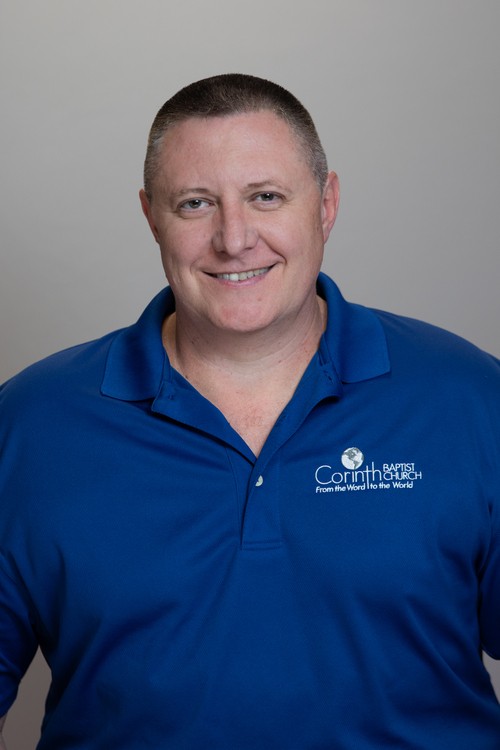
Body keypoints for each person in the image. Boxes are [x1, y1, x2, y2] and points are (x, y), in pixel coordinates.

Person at [0, 73, 499, 749]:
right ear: (151, 216)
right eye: (196, 203)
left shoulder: (469, 400)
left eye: (266, 197)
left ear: (326, 204)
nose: (234, 239)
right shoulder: (30, 425)